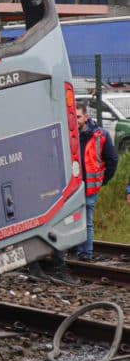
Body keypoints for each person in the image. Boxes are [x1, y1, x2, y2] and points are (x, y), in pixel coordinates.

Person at [77, 100, 118, 261]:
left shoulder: (101, 135)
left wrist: (102, 181)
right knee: (71, 220)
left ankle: (86, 253)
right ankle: (77, 250)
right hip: (71, 188)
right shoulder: (68, 133)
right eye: (73, 116)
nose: (75, 120)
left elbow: (112, 160)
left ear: (86, 117)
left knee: (86, 220)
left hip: (90, 187)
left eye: (78, 116)